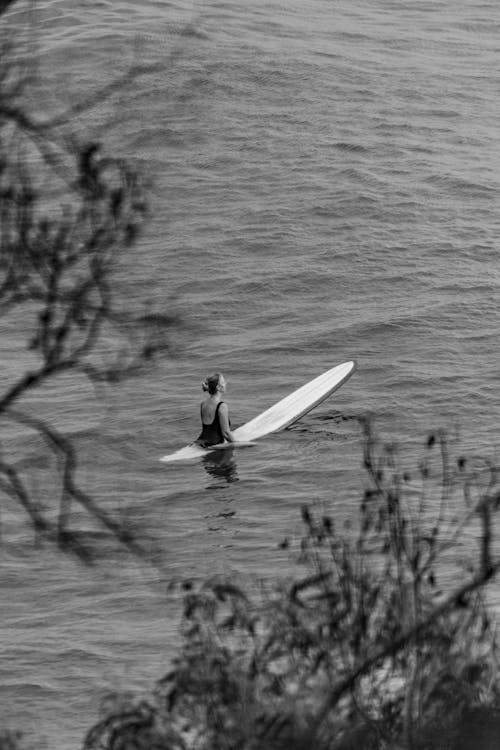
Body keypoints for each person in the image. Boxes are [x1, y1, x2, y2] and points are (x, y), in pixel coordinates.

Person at [196, 372, 236, 447]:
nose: (226, 383)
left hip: (200, 442)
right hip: (215, 446)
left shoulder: (203, 404)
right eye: (223, 382)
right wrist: (238, 444)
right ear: (218, 387)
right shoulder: (222, 406)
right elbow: (226, 434)